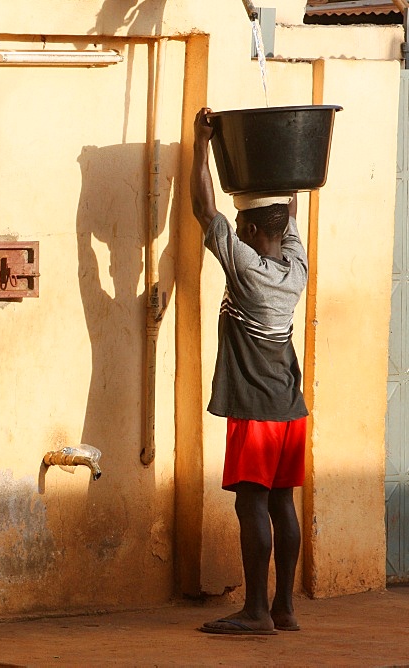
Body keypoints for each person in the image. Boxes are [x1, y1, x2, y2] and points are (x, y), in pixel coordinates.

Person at [190, 107, 308, 636]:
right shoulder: (296, 266)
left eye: (242, 225)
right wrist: (289, 157)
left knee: (252, 506)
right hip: (290, 410)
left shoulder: (245, 268)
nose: (235, 228)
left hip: (256, 412)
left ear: (254, 229)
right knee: (283, 502)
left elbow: (203, 208)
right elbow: (293, 210)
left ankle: (256, 611)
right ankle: (284, 607)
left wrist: (199, 145)